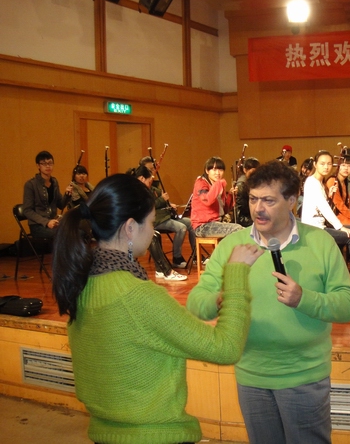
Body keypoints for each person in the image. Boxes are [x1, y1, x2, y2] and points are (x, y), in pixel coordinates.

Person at [51, 173, 261, 444]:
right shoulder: (138, 296)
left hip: (105, 434)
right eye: (151, 223)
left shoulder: (82, 284)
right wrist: (236, 274)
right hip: (155, 436)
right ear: (130, 227)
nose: (153, 231)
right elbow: (226, 348)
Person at [187, 161, 350, 444]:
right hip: (251, 375)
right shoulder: (233, 245)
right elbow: (196, 302)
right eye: (253, 199)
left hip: (304, 376)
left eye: (268, 200)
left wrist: (304, 298)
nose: (258, 208)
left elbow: (348, 305)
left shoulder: (320, 243)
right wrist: (222, 297)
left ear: (291, 201)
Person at [301, 151, 350, 284]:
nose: (326, 167)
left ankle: (338, 269)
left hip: (320, 227)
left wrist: (329, 196)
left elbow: (323, 204)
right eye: (322, 164)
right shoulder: (312, 182)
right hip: (314, 229)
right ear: (315, 164)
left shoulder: (319, 182)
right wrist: (340, 227)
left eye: (329, 164)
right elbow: (324, 208)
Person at [130, 165, 187, 281]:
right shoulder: (134, 191)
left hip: (135, 225)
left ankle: (159, 270)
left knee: (155, 235)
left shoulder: (140, 189)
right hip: (126, 228)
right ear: (142, 178)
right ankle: (167, 272)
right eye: (148, 180)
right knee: (152, 236)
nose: (150, 183)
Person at [140, 157, 195, 268]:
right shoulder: (141, 188)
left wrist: (169, 204)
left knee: (192, 223)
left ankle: (195, 255)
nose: (153, 172)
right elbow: (148, 206)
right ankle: (177, 258)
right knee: (181, 228)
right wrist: (162, 200)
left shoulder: (154, 186)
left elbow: (160, 200)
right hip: (157, 220)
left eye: (153, 169)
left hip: (166, 216)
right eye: (149, 169)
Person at [22, 150, 73, 238]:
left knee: (78, 231)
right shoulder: (30, 184)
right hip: (38, 226)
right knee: (64, 235)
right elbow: (27, 210)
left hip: (53, 222)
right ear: (38, 166)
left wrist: (67, 195)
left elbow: (60, 204)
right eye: (44, 163)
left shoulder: (54, 182)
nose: (48, 166)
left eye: (50, 163)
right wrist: (46, 222)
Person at [192, 156, 243, 238]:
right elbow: (207, 200)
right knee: (238, 230)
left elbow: (225, 210)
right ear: (207, 171)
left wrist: (231, 195)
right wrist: (219, 183)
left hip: (218, 222)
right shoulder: (201, 183)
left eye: (220, 170)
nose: (218, 173)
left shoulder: (218, 185)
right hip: (203, 226)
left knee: (246, 231)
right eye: (214, 170)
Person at [234, 157, 260, 227]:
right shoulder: (241, 186)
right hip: (244, 222)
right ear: (245, 170)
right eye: (251, 169)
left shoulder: (254, 184)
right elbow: (239, 214)